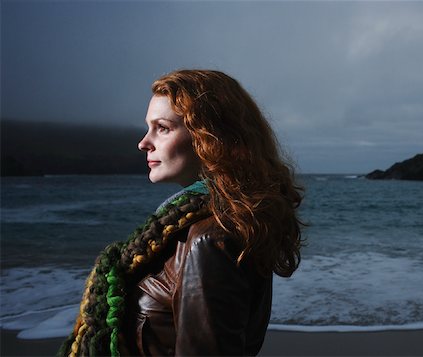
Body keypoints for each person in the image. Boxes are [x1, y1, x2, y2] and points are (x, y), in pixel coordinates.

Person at [58, 70, 303, 356]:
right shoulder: (219, 222)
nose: (143, 142)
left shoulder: (210, 240)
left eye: (162, 127)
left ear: (210, 137)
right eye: (148, 127)